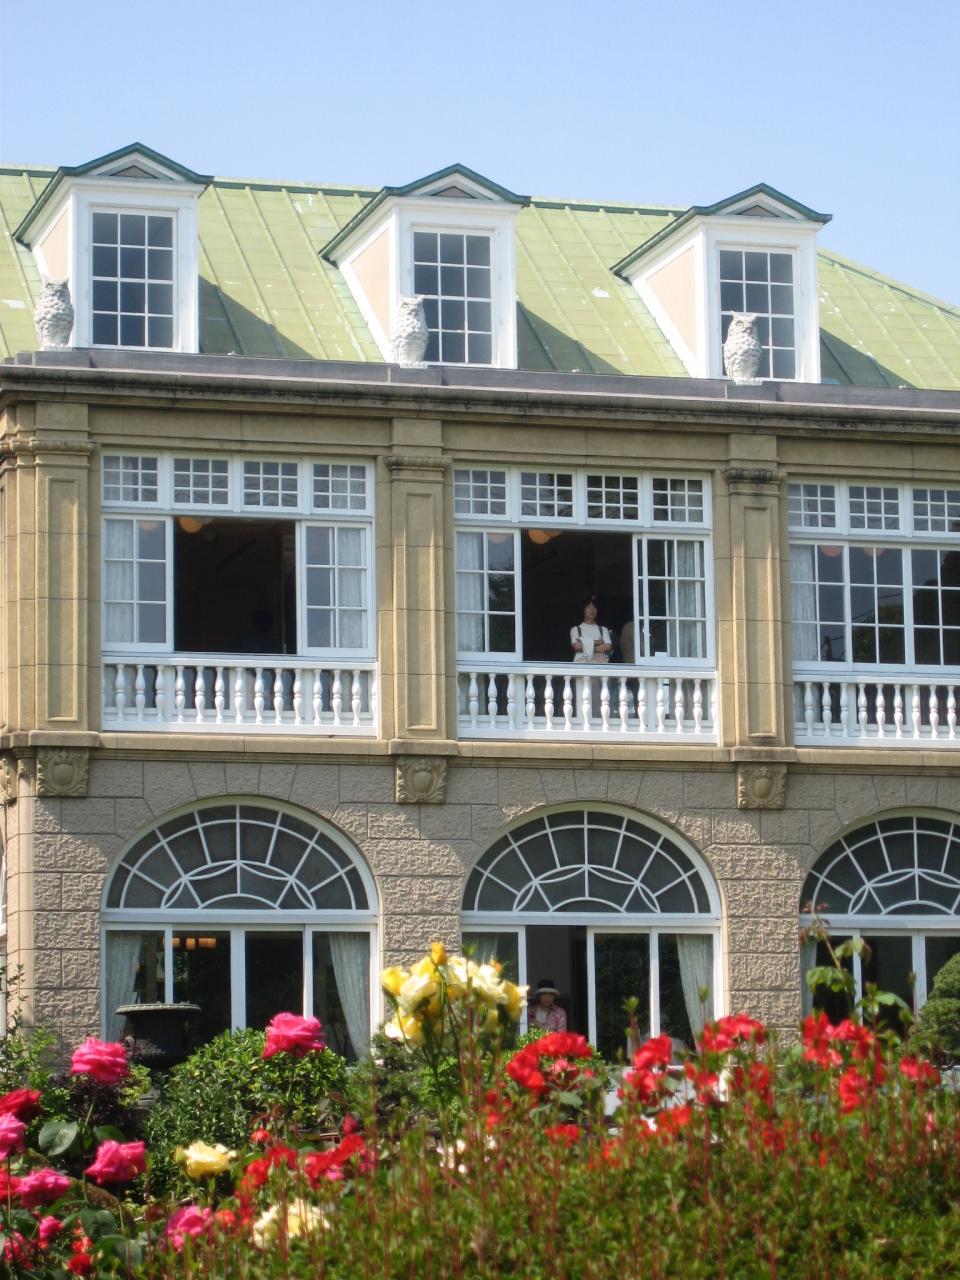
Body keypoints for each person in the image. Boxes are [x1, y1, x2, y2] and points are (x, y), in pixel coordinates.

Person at [570, 596, 612, 663]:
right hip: (580, 667)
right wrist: (598, 642)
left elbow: (608, 647)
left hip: (599, 667)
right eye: (588, 607)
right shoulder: (576, 629)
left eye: (594, 607)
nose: (592, 610)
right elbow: (577, 646)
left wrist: (584, 644)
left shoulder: (603, 629)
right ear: (583, 610)